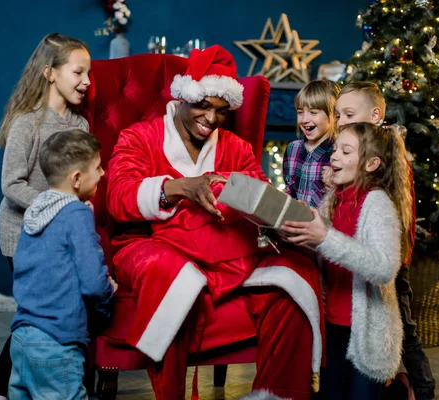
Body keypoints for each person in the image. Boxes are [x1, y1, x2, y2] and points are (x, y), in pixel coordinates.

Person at [106, 45, 323, 400]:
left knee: (295, 271)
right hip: (153, 243)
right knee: (168, 274)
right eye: (202, 106)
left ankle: (278, 393)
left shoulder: (236, 147)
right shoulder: (139, 137)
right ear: (182, 97)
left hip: (227, 246)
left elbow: (259, 193)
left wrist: (277, 209)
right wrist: (179, 188)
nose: (211, 118)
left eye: (221, 111)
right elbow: (119, 196)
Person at [0, 33, 91, 400]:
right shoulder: (27, 124)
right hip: (22, 235)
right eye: (78, 72)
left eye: (88, 73)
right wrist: (59, 206)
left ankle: (62, 382)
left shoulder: (80, 126)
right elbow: (11, 185)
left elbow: (79, 184)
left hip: (62, 237)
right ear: (50, 73)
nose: (86, 82)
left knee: (54, 312)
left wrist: (82, 207)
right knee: (39, 314)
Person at [281, 122, 413, 399]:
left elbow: (385, 268)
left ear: (371, 163)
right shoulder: (333, 199)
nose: (334, 156)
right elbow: (326, 253)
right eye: (336, 149)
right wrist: (296, 231)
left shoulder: (377, 204)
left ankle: (399, 390)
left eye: (346, 151)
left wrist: (324, 236)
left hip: (366, 334)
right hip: (332, 327)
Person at [327, 81, 436, 400]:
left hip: (390, 261)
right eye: (338, 115)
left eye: (349, 113)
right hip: (355, 275)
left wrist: (400, 258)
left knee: (406, 331)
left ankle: (421, 388)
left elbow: (399, 217)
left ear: (374, 115)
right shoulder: (351, 169)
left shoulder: (387, 169)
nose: (341, 120)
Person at [8, 129, 116, 399]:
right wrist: (109, 294)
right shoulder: (76, 213)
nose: (103, 173)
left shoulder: (37, 208)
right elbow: (92, 283)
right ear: (77, 178)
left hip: (22, 338)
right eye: (98, 167)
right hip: (58, 341)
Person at [283, 79, 340, 208]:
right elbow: (289, 191)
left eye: (313, 112)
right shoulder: (292, 149)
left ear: (333, 115)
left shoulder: (338, 153)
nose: (304, 120)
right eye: (300, 112)